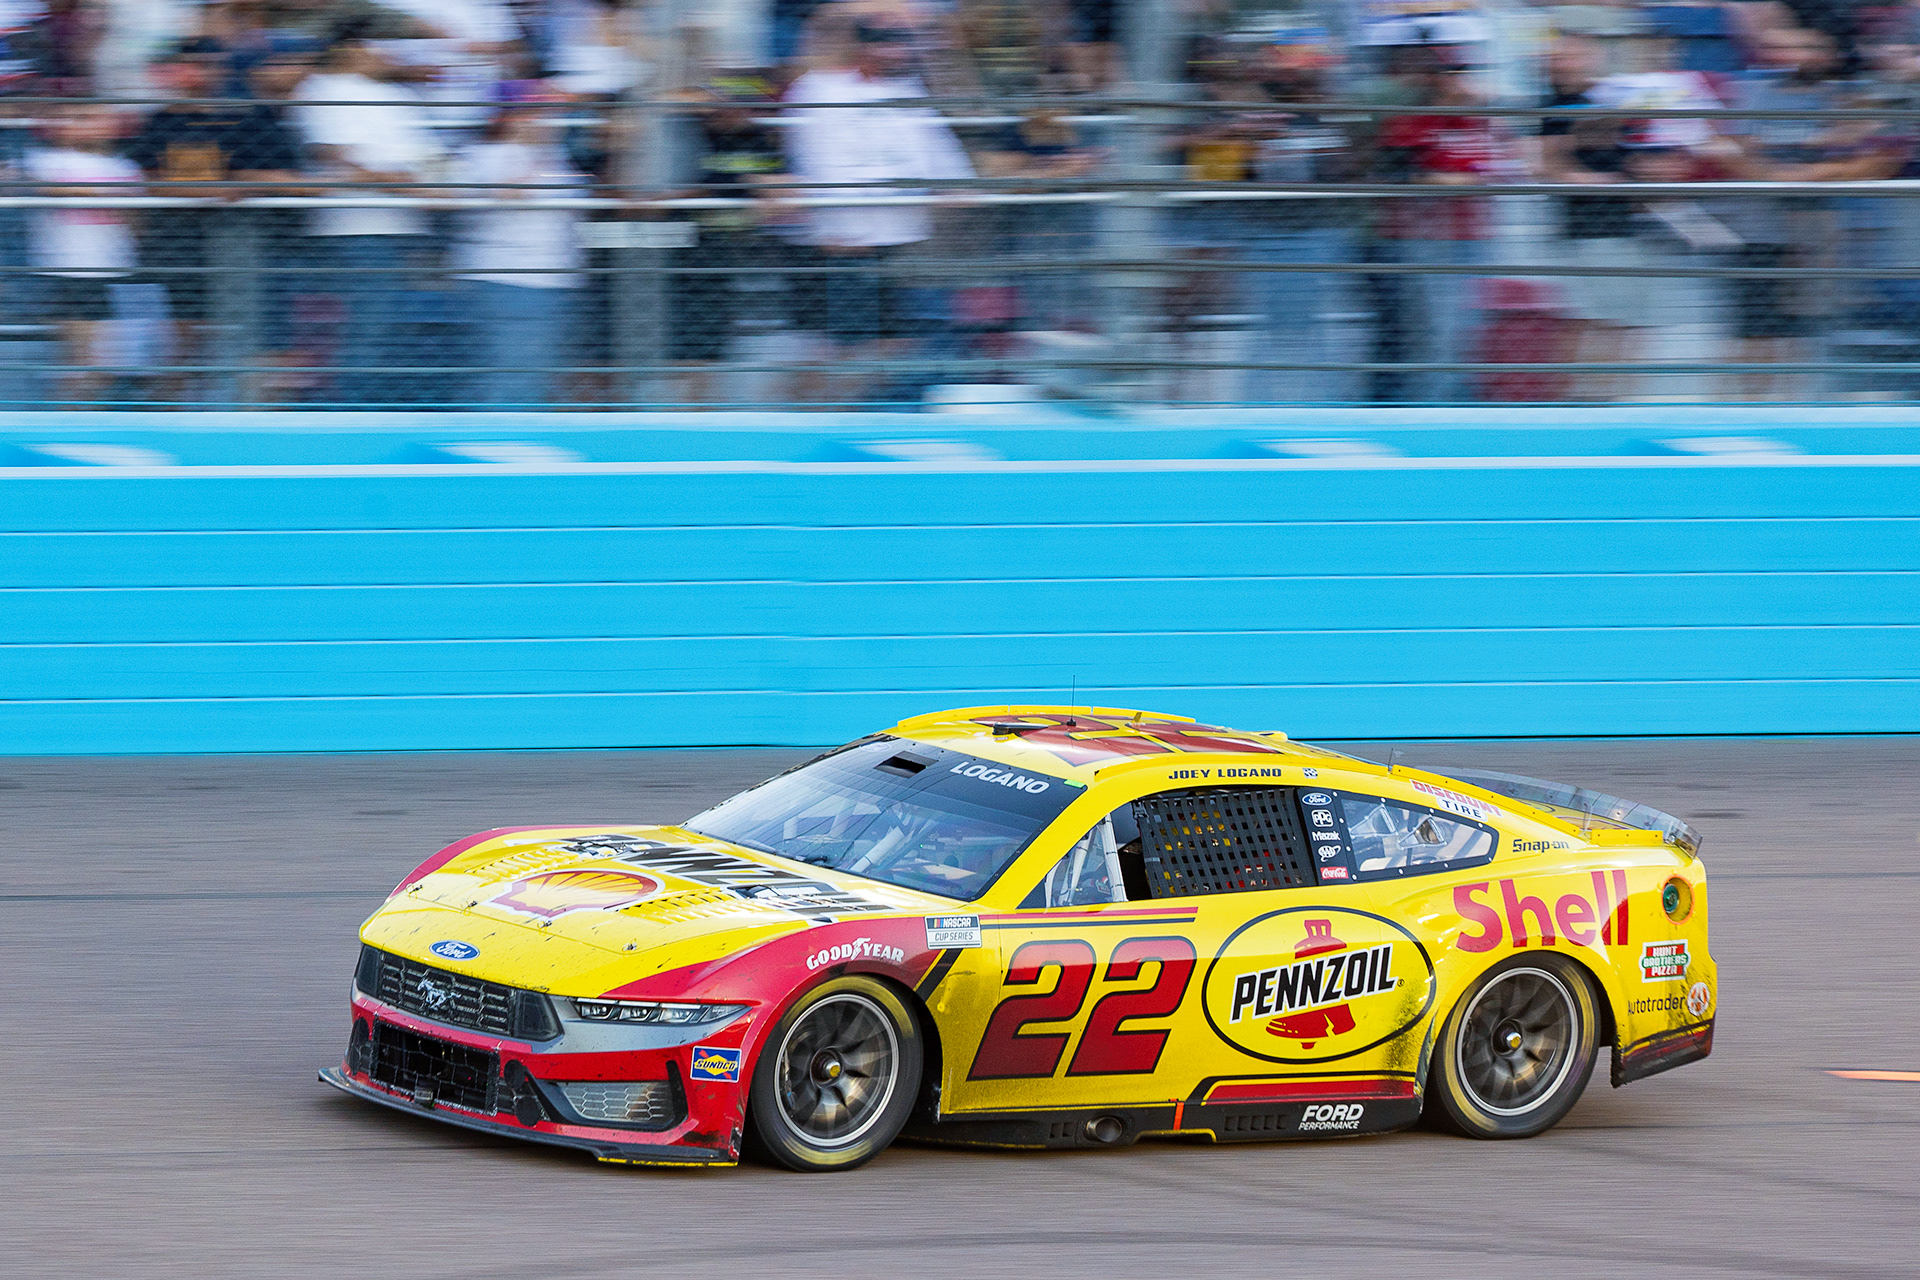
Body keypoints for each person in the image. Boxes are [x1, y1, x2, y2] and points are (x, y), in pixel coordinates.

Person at [783, 12, 974, 402]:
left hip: (898, 243)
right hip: (843, 246)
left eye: (902, 42)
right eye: (887, 42)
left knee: (895, 344)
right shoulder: (820, 89)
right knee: (836, 351)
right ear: (862, 47)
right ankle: (799, 423)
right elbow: (825, 167)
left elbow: (945, 164)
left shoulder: (909, 92)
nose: (899, 52)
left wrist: (950, 187)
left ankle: (849, 419)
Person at [125, 36, 306, 401]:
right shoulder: (160, 122)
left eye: (214, 64)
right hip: (175, 244)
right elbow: (150, 183)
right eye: (196, 64)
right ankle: (169, 409)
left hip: (247, 246)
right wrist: (220, 186)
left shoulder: (251, 117)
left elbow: (281, 179)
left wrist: (237, 183)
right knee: (181, 341)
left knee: (246, 337)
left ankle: (235, 413)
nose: (206, 73)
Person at [294, 20, 445, 405]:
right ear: (351, 48)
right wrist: (403, 181)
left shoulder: (399, 94)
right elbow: (333, 156)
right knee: (366, 327)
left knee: (395, 327)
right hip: (355, 229)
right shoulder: (321, 89)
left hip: (408, 226)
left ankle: (382, 403)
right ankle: (349, 408)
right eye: (379, 45)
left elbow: (431, 160)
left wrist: (429, 182)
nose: (389, 54)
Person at [1374, 45, 1505, 403]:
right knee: (1439, 333)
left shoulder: (1481, 117)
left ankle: (1458, 404)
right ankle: (1430, 408)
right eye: (1451, 74)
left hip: (1472, 236)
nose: (1459, 81)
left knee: (1469, 330)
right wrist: (1453, 181)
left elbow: (1503, 169)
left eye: (1463, 73)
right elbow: (1396, 174)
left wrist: (1458, 179)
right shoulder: (1414, 120)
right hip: (1428, 239)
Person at [451, 84, 584, 406]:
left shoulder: (555, 157)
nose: (547, 121)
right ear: (510, 117)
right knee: (511, 377)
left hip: (549, 282)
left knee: (532, 376)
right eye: (536, 112)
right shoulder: (485, 154)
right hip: (510, 282)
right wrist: (535, 152)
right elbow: (506, 194)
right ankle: (492, 442)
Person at [25, 104, 142, 403]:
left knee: (109, 352)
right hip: (70, 268)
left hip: (115, 267)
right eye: (80, 117)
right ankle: (76, 402)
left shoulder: (125, 167)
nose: (88, 125)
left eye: (97, 118)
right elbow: (56, 188)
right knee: (78, 350)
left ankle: (95, 397)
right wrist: (112, 197)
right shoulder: (49, 159)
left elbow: (138, 216)